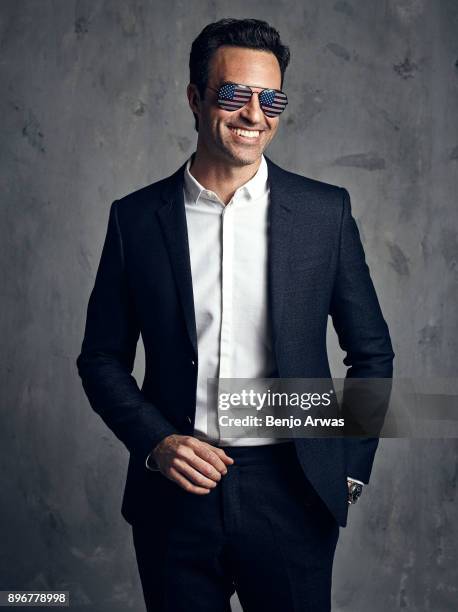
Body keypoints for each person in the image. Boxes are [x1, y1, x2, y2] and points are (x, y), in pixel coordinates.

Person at [76, 18, 394, 612]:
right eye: (233, 94)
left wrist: (348, 469)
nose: (255, 115)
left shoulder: (324, 213)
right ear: (195, 98)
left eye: (271, 98)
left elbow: (372, 351)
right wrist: (155, 441)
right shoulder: (135, 220)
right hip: (175, 493)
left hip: (294, 490)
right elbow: (100, 358)